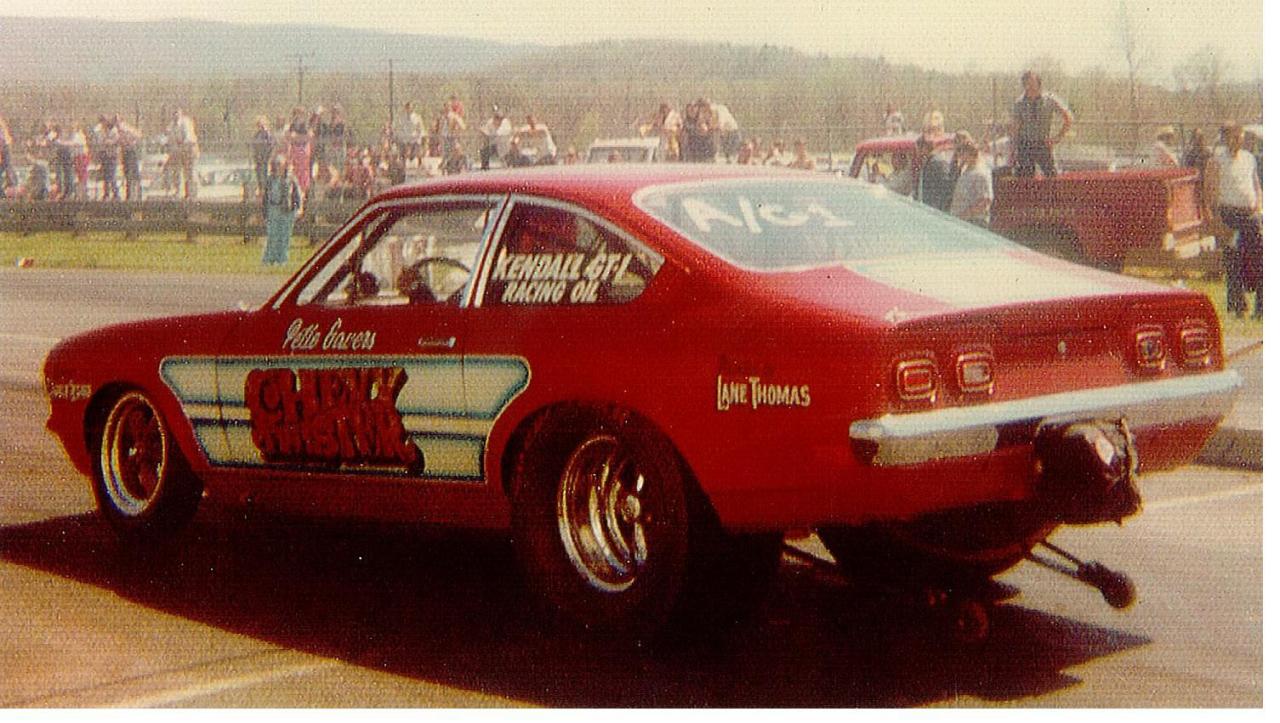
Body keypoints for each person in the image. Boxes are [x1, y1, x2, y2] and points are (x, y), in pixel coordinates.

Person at [1205, 123, 1263, 319]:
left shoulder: (1249, 158)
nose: (1239, 140)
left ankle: (1262, 308)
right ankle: (1238, 307)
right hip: (1229, 215)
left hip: (1250, 216)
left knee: (1260, 260)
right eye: (1235, 137)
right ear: (1226, 138)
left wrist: (1258, 206)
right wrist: (1217, 221)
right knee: (1234, 262)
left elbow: (1256, 185)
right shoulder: (1216, 161)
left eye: (1241, 137)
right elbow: (1210, 192)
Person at [1009, 70, 1073, 177]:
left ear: (1038, 83)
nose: (1029, 87)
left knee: (1052, 176)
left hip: (1043, 144)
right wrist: (1012, 151)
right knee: (1025, 178)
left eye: (1032, 83)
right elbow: (1015, 128)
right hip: (1025, 145)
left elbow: (1068, 117)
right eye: (1026, 84)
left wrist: (1057, 138)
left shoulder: (1050, 100)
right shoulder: (1019, 103)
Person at [261, 157, 302, 267]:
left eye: (280, 164)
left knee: (284, 236)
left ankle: (282, 259)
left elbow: (297, 194)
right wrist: (264, 211)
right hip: (273, 208)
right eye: (276, 164)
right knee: (272, 235)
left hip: (287, 210)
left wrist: (298, 208)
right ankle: (269, 259)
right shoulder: (270, 179)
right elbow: (265, 196)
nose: (278, 166)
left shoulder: (291, 179)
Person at [949, 138, 994, 226]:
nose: (960, 156)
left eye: (963, 153)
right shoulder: (966, 169)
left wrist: (965, 215)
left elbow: (985, 201)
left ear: (971, 154)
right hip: (960, 219)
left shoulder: (981, 173)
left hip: (973, 221)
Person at [915, 134, 957, 211]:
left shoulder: (938, 163)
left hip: (936, 208)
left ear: (924, 147)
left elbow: (945, 187)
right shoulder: (927, 163)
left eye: (918, 149)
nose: (917, 152)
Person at [114, 115, 143, 201]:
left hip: (131, 152)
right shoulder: (117, 130)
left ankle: (137, 193)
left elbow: (138, 135)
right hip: (125, 152)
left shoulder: (126, 128)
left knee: (133, 173)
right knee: (127, 173)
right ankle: (129, 194)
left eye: (117, 120)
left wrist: (131, 141)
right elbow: (118, 140)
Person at [393, 102, 426, 166]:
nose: (409, 109)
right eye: (407, 108)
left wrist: (420, 137)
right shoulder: (401, 118)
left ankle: (419, 163)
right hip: (405, 138)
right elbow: (399, 128)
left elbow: (421, 128)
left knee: (417, 148)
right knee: (402, 148)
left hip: (414, 138)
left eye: (410, 108)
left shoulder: (417, 117)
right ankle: (403, 164)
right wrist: (398, 136)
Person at [250, 116, 275, 198]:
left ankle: (266, 191)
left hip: (265, 158)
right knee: (259, 174)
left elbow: (271, 145)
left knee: (265, 174)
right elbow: (254, 145)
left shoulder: (267, 134)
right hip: (258, 158)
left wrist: (267, 155)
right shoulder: (257, 134)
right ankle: (261, 190)